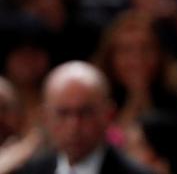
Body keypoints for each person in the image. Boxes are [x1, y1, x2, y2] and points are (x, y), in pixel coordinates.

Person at [18, 60, 151, 174]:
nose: (74, 126)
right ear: (45, 117)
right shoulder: (29, 171)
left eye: (86, 112)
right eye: (63, 113)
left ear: (108, 115)